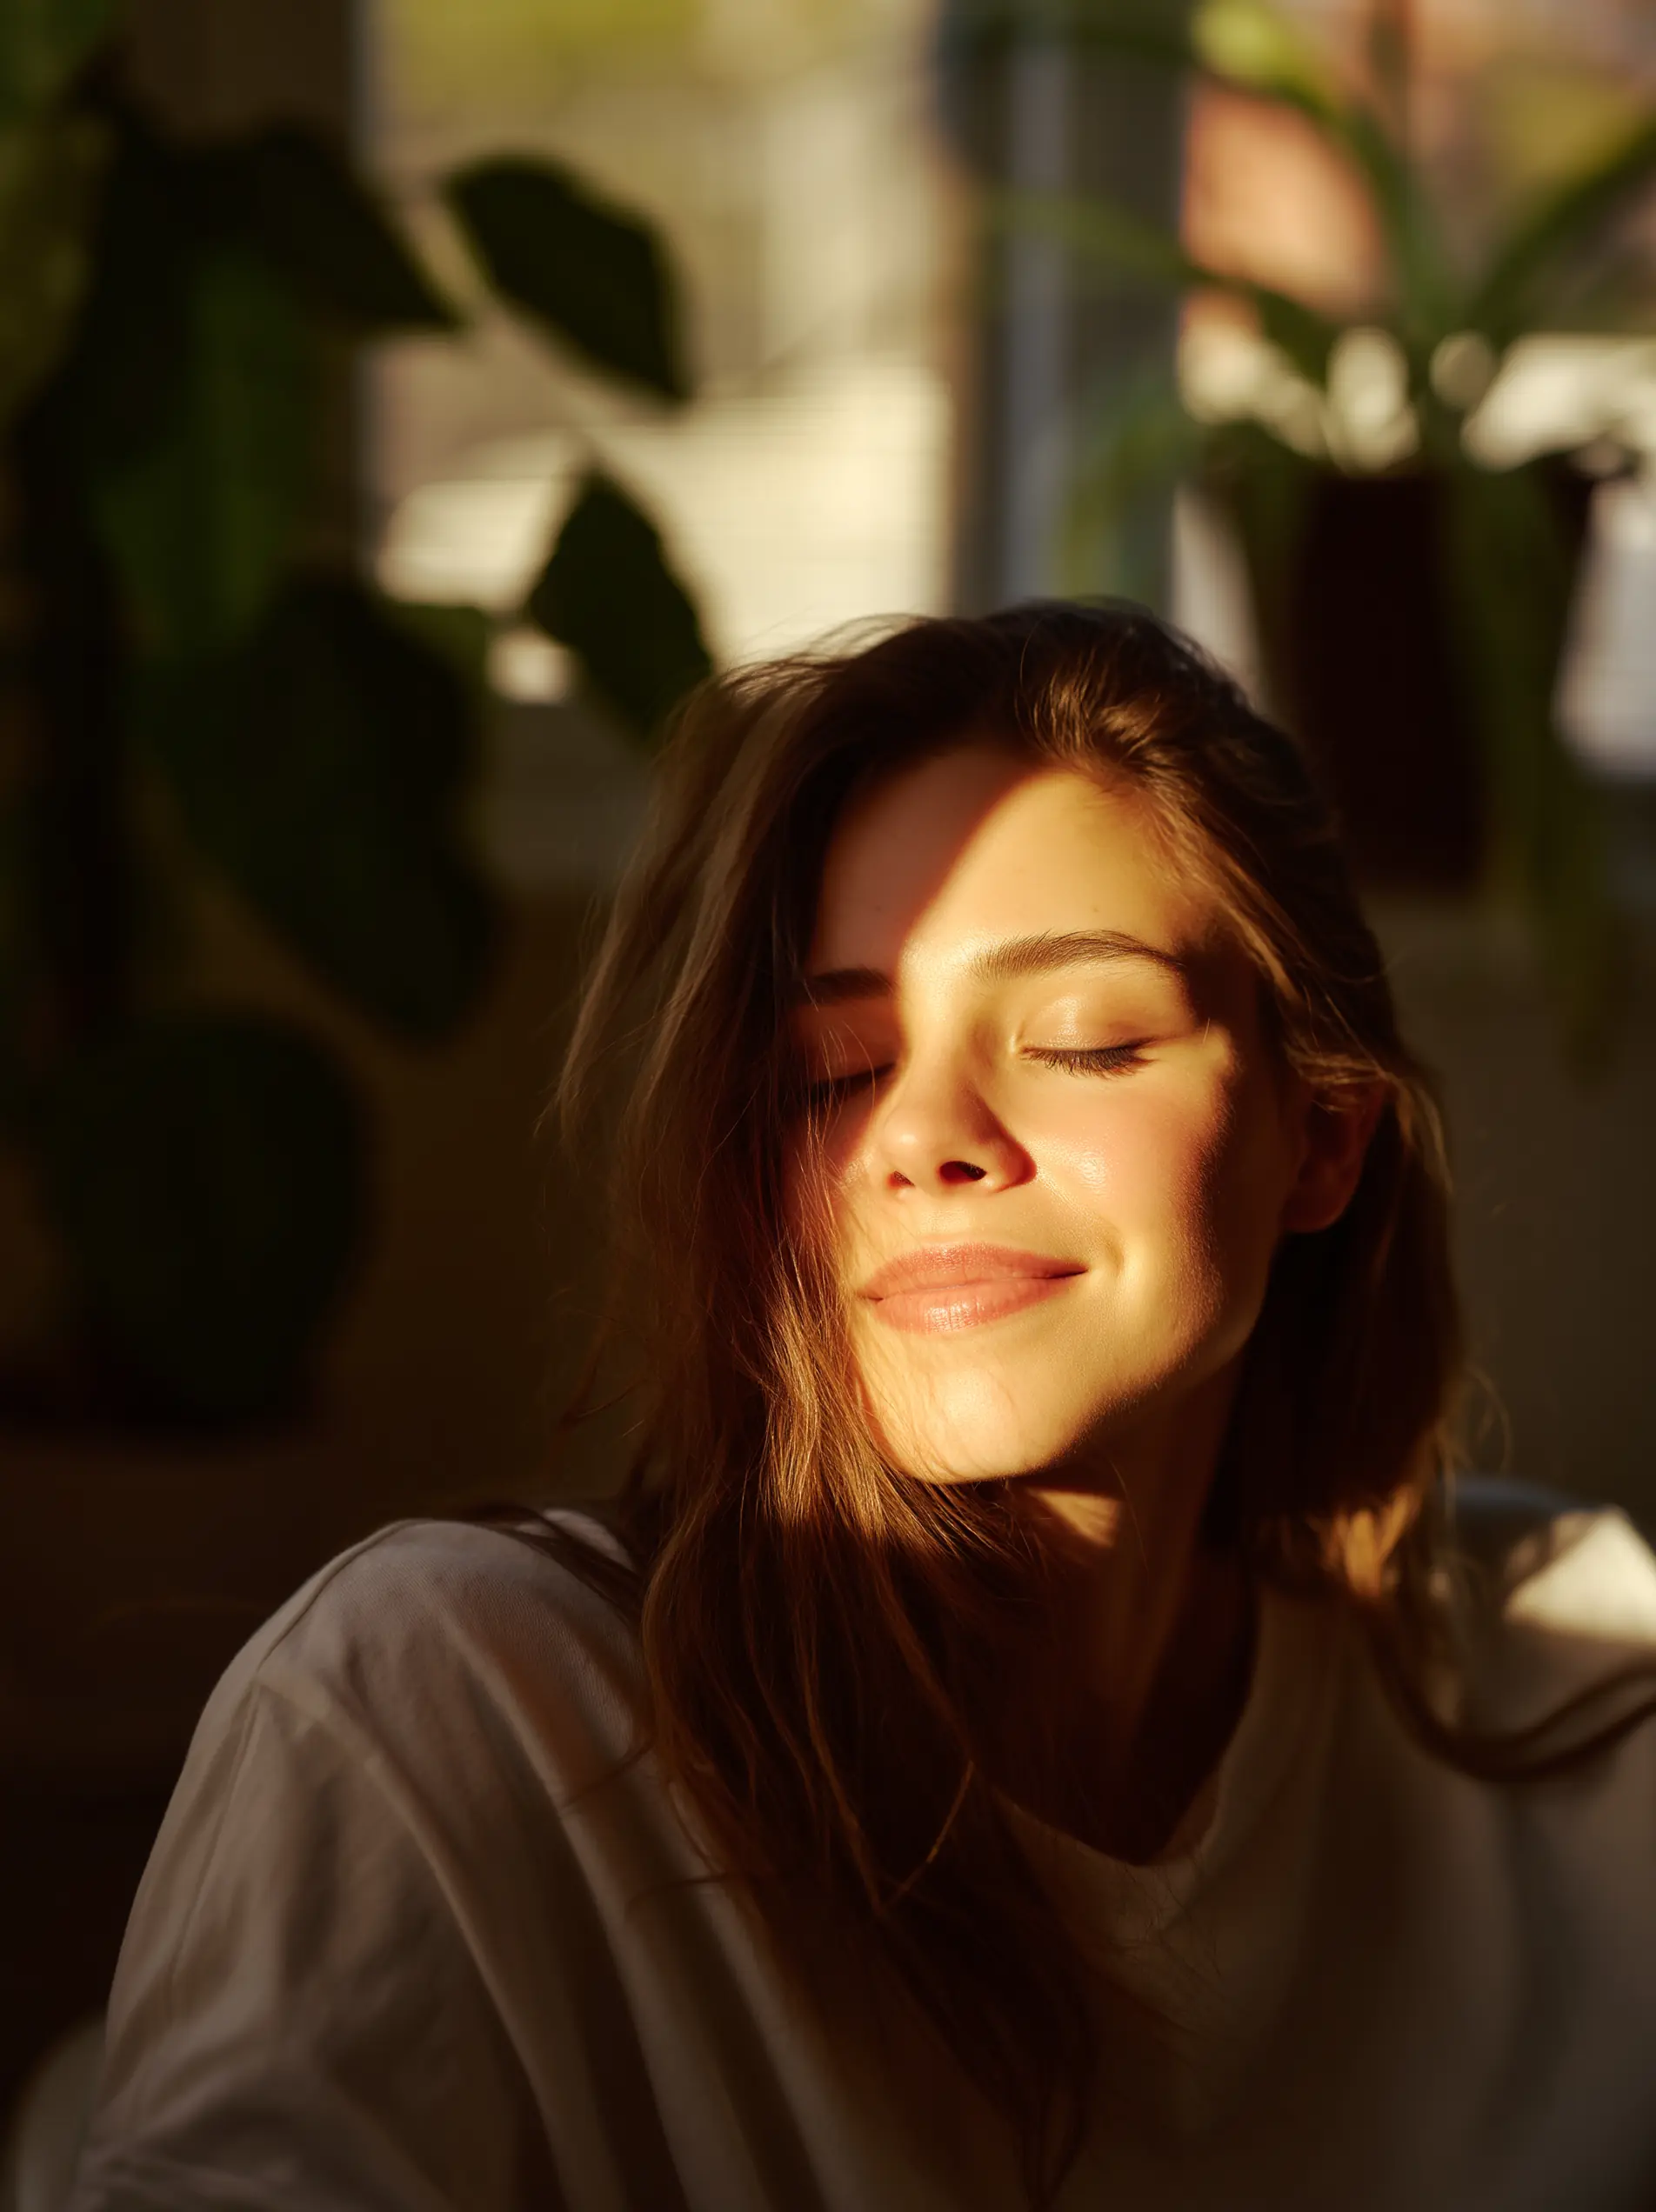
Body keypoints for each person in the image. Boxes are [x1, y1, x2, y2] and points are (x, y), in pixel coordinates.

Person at [70, 603, 1656, 2212]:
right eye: (830, 1071)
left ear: (1320, 1135)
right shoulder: (441, 1713)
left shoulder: (1578, 1687)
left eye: (1082, 1040)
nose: (924, 1136)